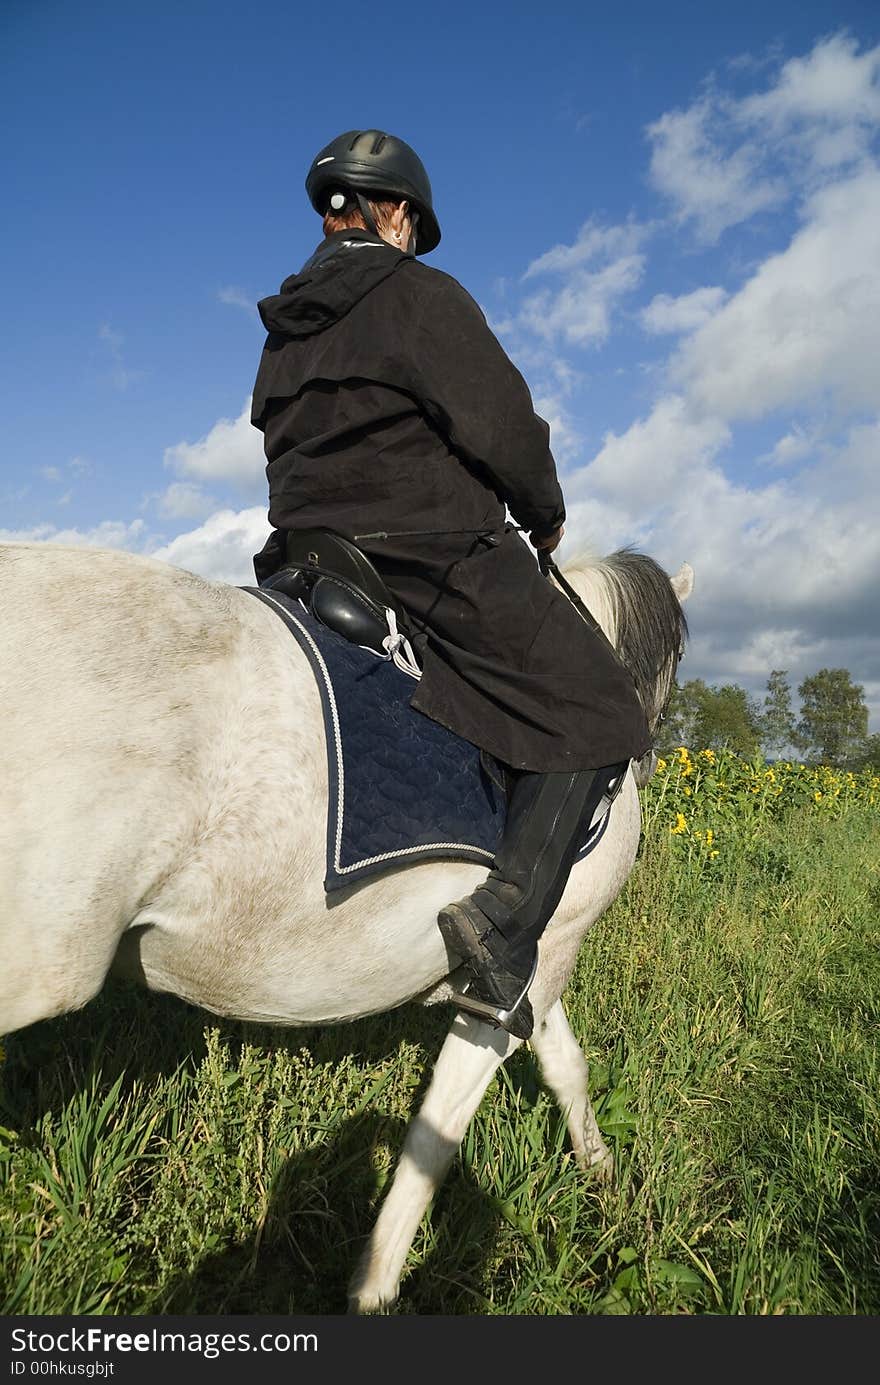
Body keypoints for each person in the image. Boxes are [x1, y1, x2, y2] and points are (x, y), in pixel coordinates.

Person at [251, 129, 651, 1040]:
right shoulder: (422, 294)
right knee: (601, 702)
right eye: (412, 225)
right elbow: (505, 427)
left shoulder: (283, 329)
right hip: (428, 551)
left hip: (304, 556)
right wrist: (542, 514)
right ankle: (504, 925)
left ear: (334, 213)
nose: (411, 239)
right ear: (395, 214)